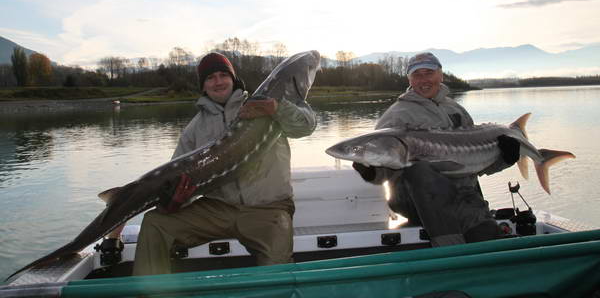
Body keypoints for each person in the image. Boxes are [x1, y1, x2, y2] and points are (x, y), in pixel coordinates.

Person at [126, 52, 317, 275]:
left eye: (223, 75)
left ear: (233, 78)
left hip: (268, 208)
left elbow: (306, 127)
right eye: (210, 78)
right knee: (155, 223)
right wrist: (175, 200)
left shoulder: (268, 104)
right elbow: (178, 179)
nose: (218, 81)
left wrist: (276, 109)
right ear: (203, 86)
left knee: (277, 268)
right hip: (217, 210)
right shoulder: (194, 129)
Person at [352, 52, 520, 247]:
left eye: (429, 73)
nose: (424, 80)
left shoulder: (456, 110)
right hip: (418, 202)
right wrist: (371, 171)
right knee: (420, 168)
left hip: (465, 201)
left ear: (441, 75)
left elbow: (473, 164)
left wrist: (505, 158)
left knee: (490, 247)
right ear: (409, 79)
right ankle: (451, 253)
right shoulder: (396, 117)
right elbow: (386, 171)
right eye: (417, 75)